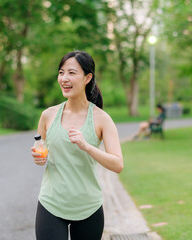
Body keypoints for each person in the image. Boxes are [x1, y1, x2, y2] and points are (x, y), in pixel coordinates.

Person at [31, 50, 123, 240]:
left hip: (88, 207)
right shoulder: (48, 115)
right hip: (52, 203)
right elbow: (42, 152)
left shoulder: (101, 119)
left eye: (72, 73)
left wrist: (87, 146)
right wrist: (39, 158)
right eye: (61, 72)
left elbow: (117, 164)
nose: (64, 78)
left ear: (87, 77)